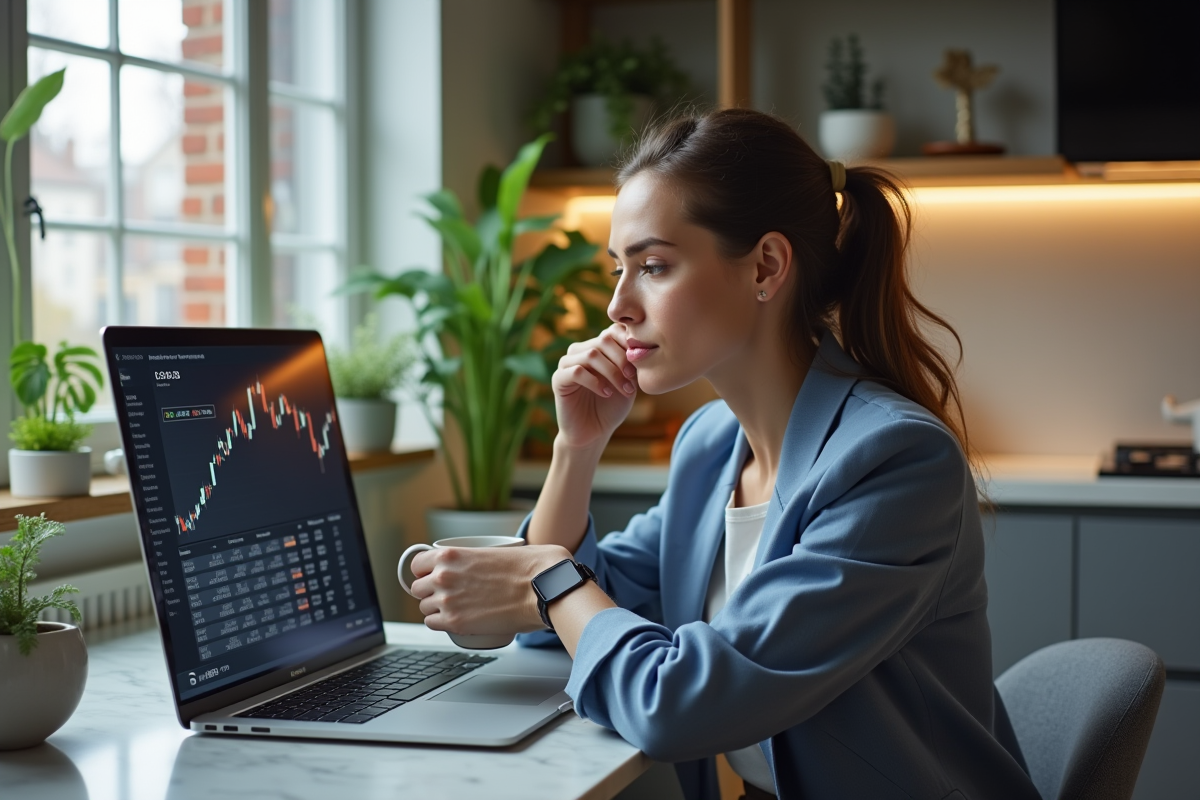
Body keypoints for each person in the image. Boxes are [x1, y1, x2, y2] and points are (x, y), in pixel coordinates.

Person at [408, 109, 1039, 800]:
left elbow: (678, 704)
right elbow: (558, 627)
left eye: (653, 266)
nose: (619, 305)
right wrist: (576, 449)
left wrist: (550, 581)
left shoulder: (894, 462)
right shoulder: (711, 446)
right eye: (620, 269)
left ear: (766, 265)